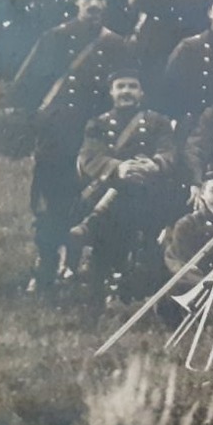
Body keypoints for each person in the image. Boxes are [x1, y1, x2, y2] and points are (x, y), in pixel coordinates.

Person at [7, 0, 130, 289]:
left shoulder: (116, 44)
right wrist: (35, 123)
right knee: (50, 198)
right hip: (56, 133)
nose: (94, 4)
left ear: (106, 6)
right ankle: (45, 265)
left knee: (85, 199)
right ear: (77, 2)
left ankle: (75, 265)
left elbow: (126, 89)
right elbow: (26, 85)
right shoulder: (55, 38)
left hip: (94, 135)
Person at [70, 67, 179, 297]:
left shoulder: (158, 121)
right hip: (111, 192)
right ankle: (100, 283)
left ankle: (143, 285)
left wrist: (155, 164)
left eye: (132, 86)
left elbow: (168, 150)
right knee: (109, 232)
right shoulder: (97, 124)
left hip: (150, 192)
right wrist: (118, 167)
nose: (126, 92)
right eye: (120, 87)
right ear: (111, 92)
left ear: (141, 93)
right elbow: (90, 157)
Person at [162, 167, 213, 297]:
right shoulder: (187, 225)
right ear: (202, 193)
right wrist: (212, 293)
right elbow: (178, 265)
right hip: (195, 292)